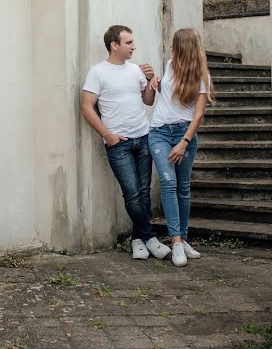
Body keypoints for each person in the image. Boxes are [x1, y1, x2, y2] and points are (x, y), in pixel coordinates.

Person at [81, 25, 171, 260]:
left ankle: (138, 239)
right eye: (128, 42)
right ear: (114, 45)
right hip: (118, 144)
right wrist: (108, 136)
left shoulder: (135, 71)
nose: (133, 46)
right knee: (131, 193)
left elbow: (148, 101)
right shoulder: (98, 73)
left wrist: (151, 82)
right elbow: (86, 107)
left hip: (143, 138)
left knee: (143, 193)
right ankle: (149, 236)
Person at [148, 28, 213, 267]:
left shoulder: (202, 76)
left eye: (174, 45)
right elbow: (166, 97)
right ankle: (176, 241)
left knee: (183, 187)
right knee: (168, 182)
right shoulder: (169, 66)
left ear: (182, 47)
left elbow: (198, 115)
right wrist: (157, 82)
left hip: (185, 133)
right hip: (159, 132)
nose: (171, 49)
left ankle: (183, 239)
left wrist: (183, 142)